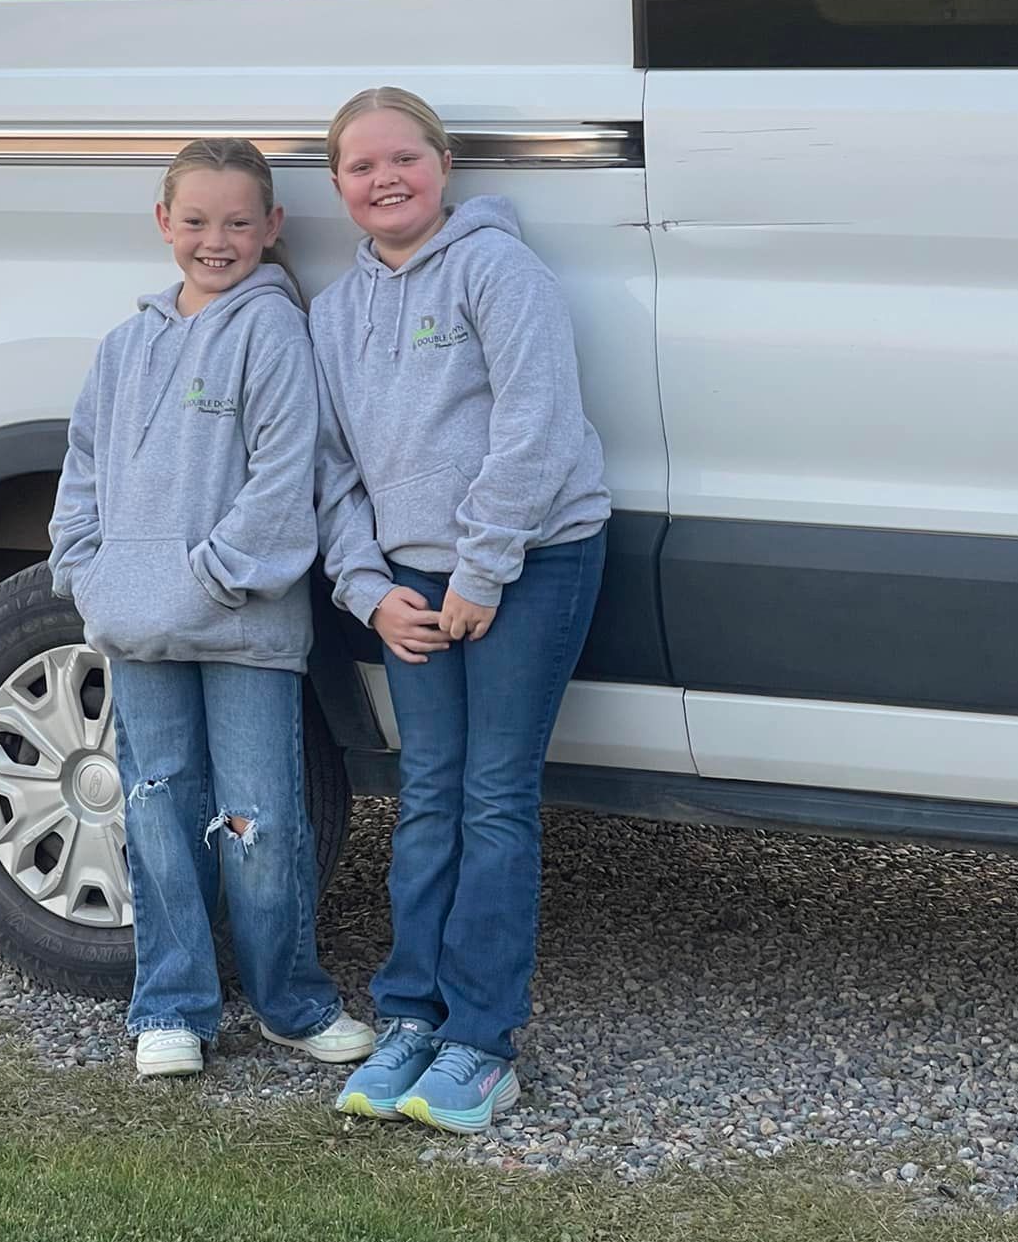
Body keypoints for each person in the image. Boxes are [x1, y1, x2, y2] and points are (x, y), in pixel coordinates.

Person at [312, 88, 609, 1133]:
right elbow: (333, 467)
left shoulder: (497, 268)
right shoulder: (334, 312)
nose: (385, 177)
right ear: (337, 182)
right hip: (410, 585)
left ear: (443, 166)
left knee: (492, 794)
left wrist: (482, 569)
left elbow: (536, 421)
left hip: (532, 558)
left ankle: (483, 1041)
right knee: (428, 791)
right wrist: (368, 589)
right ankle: (409, 1016)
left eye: (406, 156)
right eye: (361, 164)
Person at [48, 137, 373, 1079]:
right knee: (155, 806)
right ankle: (173, 1005)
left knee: (262, 820)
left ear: (272, 227)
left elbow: (283, 486)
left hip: (245, 630)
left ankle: (292, 1002)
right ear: (164, 224)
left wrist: (207, 581)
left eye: (237, 222)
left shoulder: (276, 333)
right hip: (140, 630)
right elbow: (83, 470)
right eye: (195, 221)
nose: (215, 240)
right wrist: (87, 571)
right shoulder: (124, 345)